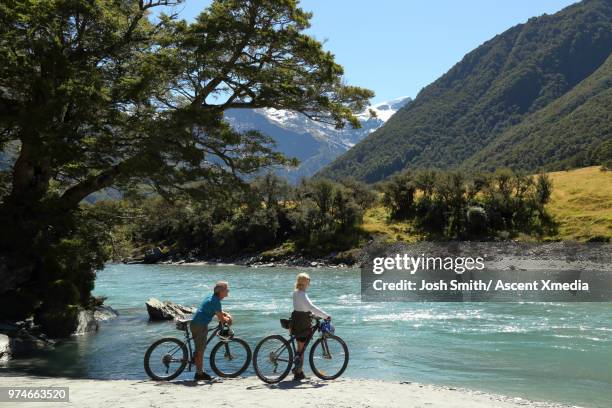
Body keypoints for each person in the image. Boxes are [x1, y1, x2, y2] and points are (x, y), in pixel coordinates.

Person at [291, 272, 331, 381]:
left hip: (296, 320)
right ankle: (298, 373)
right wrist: (325, 315)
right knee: (302, 348)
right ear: (305, 282)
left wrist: (312, 314)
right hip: (302, 322)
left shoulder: (296, 293)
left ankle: (298, 371)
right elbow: (310, 307)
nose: (309, 283)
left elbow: (301, 307)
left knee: (300, 348)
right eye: (309, 281)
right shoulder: (302, 294)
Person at [190, 281, 232, 382]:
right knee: (200, 350)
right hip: (200, 326)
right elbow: (222, 320)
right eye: (227, 289)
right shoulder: (216, 302)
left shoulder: (212, 298)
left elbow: (218, 312)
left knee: (200, 348)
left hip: (197, 324)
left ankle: (199, 370)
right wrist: (229, 318)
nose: (228, 290)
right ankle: (199, 374)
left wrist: (224, 314)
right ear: (221, 291)